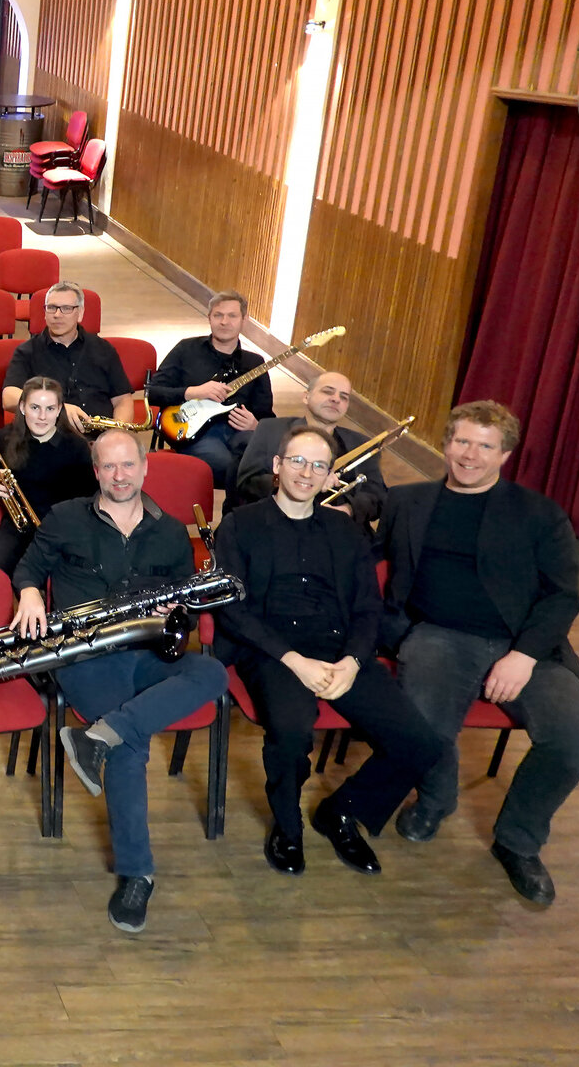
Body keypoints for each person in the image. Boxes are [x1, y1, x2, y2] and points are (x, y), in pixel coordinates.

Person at [10, 429, 228, 933]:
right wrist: (30, 594)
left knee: (211, 671)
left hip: (148, 654)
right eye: (109, 466)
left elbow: (186, 611)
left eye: (128, 465)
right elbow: (27, 569)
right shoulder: (65, 517)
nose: (120, 475)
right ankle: (137, 873)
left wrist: (178, 613)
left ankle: (99, 737)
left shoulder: (171, 532)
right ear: (96, 472)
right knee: (132, 747)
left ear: (145, 468)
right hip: (86, 658)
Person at [380, 401, 579, 906]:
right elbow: (370, 559)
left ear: (504, 455)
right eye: (462, 441)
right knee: (426, 724)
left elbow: (562, 597)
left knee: (574, 740)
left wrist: (524, 655)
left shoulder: (540, 515)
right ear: (445, 443)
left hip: (526, 646)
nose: (470, 455)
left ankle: (518, 841)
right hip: (438, 635)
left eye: (485, 446)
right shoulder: (406, 502)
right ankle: (436, 801)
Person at [212, 424, 441, 877]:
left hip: (339, 650)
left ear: (330, 476)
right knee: (292, 732)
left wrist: (353, 662)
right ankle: (287, 826)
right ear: (277, 466)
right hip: (273, 652)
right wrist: (293, 661)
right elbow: (232, 609)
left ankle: (341, 811)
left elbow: (368, 606)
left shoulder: (344, 529)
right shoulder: (239, 525)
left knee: (420, 743)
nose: (306, 473)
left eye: (318, 466)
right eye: (297, 461)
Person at [0, 376, 95, 573]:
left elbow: (90, 497)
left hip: (62, 528)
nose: (42, 416)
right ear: (22, 407)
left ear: (59, 410)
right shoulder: (7, 437)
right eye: (35, 408)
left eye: (50, 409)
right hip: (18, 528)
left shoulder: (76, 446)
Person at [147, 291, 271, 492]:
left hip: (240, 432)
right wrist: (193, 392)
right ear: (209, 318)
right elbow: (153, 392)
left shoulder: (254, 363)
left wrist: (256, 425)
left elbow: (266, 413)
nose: (224, 322)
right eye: (218, 315)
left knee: (262, 463)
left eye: (232, 316)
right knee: (230, 468)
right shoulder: (186, 349)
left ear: (244, 320)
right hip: (195, 432)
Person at [232, 371, 387, 524]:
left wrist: (347, 510)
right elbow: (247, 482)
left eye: (344, 397)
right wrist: (297, 480)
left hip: (339, 528)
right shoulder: (270, 429)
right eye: (328, 391)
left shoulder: (362, 444)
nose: (336, 399)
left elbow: (377, 497)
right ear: (306, 396)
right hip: (278, 522)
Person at [0, 280, 134, 430]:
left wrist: (116, 434)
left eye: (66, 308)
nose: (57, 315)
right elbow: (8, 397)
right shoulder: (27, 351)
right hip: (48, 435)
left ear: (80, 313)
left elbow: (122, 400)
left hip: (100, 436)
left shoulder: (103, 349)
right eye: (51, 308)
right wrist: (56, 408)